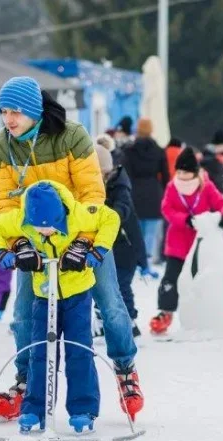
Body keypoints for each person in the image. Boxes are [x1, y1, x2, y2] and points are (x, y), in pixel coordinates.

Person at [0, 77, 143, 422]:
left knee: (110, 302)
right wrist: (22, 244)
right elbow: (4, 205)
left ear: (34, 110)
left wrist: (84, 243)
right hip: (36, 240)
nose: (9, 119)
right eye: (4, 112)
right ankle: (26, 380)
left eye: (16, 112)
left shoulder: (71, 135)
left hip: (81, 233)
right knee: (24, 312)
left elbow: (92, 194)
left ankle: (124, 366)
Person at [0, 181, 121, 433]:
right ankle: (34, 409)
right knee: (40, 352)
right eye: (38, 228)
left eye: (50, 228)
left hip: (77, 294)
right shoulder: (21, 217)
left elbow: (110, 218)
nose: (45, 233)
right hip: (43, 295)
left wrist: (95, 253)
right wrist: (6, 255)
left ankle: (83, 409)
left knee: (78, 351)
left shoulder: (79, 214)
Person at [150, 147, 223, 335]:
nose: (182, 176)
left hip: (200, 245)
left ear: (195, 172)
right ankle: (165, 311)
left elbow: (222, 203)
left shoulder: (206, 185)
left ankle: (202, 313)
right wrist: (184, 219)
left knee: (201, 279)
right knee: (171, 278)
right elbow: (167, 209)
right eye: (179, 171)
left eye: (186, 172)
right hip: (178, 242)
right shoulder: (173, 186)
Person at [96, 139, 147, 335]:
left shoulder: (119, 186)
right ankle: (102, 322)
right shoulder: (95, 186)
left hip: (126, 247)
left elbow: (123, 211)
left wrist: (107, 216)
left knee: (121, 285)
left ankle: (130, 321)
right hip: (105, 245)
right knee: (99, 286)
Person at [121, 117, 170, 265]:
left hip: (135, 191)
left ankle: (136, 259)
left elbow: (126, 173)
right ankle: (147, 260)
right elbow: (166, 176)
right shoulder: (159, 151)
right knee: (151, 231)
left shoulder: (129, 151)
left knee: (136, 229)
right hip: (154, 192)